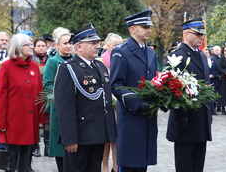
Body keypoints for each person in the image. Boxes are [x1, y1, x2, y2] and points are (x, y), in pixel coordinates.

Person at [54, 23, 117, 172]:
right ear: (79, 47)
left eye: (98, 43)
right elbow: (64, 107)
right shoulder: (68, 68)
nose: (97, 46)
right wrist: (70, 138)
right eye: (93, 43)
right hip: (80, 136)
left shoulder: (100, 66)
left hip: (99, 133)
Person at [110, 10, 158, 172]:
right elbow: (116, 85)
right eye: (144, 26)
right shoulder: (121, 52)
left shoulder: (151, 53)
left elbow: (155, 82)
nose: (149, 30)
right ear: (132, 29)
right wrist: (137, 103)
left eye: (149, 26)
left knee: (142, 165)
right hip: (131, 116)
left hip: (148, 117)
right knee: (130, 165)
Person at [165, 17, 211, 172]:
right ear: (186, 34)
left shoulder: (202, 56)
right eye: (197, 34)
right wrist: (180, 115)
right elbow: (170, 87)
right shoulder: (177, 55)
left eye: (202, 34)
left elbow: (205, 86)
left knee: (198, 165)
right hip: (185, 120)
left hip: (201, 119)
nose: (201, 37)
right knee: (185, 165)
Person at [0, 33, 43, 172]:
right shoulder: (6, 66)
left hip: (30, 120)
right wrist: (1, 122)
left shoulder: (34, 66)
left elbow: (39, 93)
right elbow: (1, 97)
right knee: (12, 157)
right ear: (18, 47)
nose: (31, 47)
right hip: (13, 120)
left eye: (31, 44)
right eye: (28, 44)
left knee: (27, 154)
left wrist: (39, 118)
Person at [43, 27, 73, 172]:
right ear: (57, 45)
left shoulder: (76, 60)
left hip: (76, 109)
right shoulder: (53, 62)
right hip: (60, 108)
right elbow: (47, 84)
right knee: (61, 149)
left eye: (70, 43)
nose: (68, 46)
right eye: (65, 43)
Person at [98, 33, 123, 172]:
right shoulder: (100, 62)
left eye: (120, 45)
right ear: (107, 47)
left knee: (117, 138)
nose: (118, 48)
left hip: (118, 106)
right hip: (105, 106)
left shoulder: (120, 60)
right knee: (106, 139)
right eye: (115, 46)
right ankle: (105, 167)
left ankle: (117, 166)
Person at [203, 48, 218, 115]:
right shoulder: (201, 61)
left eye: (207, 53)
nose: (206, 54)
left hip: (213, 80)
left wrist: (213, 75)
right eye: (204, 53)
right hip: (205, 81)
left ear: (209, 53)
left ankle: (213, 109)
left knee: (213, 95)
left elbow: (216, 69)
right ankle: (208, 110)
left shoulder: (213, 60)